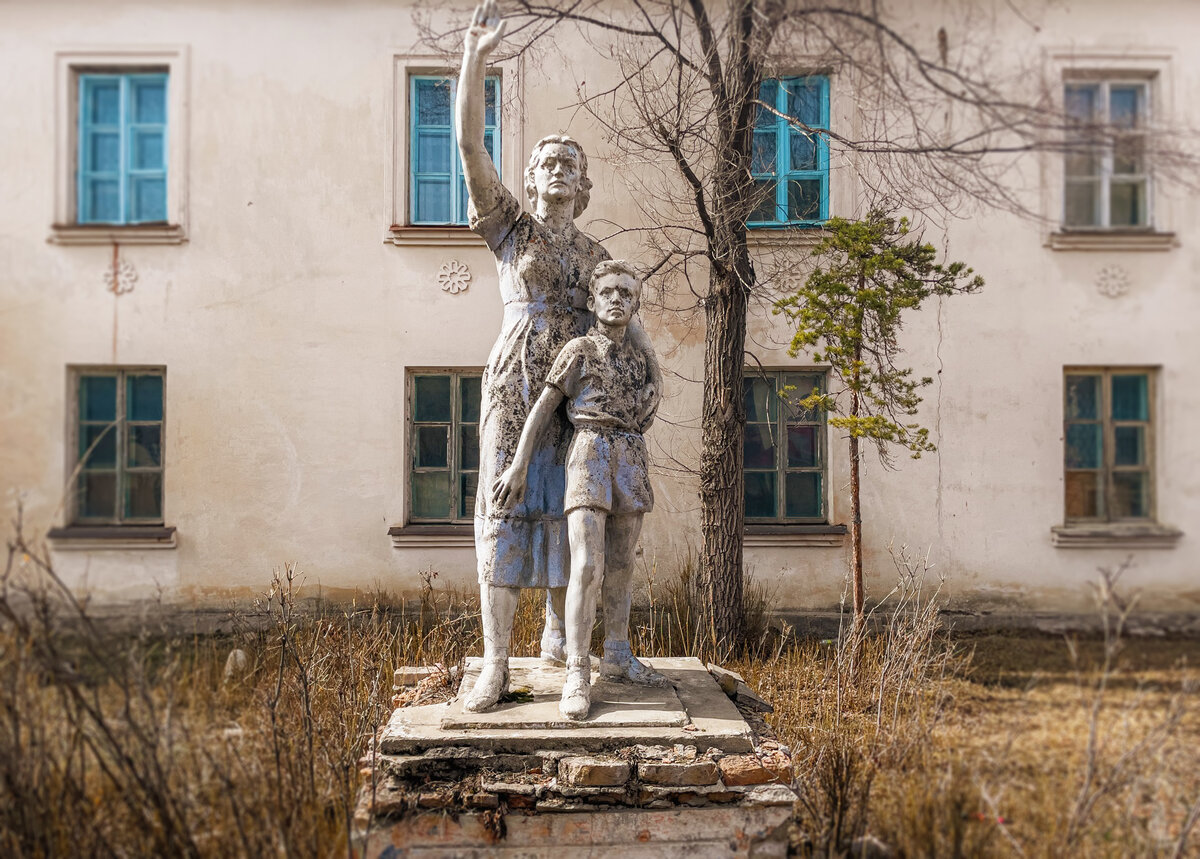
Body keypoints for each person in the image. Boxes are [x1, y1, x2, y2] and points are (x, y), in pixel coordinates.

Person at [457, 1, 660, 713]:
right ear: (532, 177)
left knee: (570, 516)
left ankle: (558, 640)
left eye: (571, 162)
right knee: (505, 506)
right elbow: (470, 149)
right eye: (548, 160)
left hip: (576, 395)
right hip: (517, 383)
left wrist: (641, 387)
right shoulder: (512, 227)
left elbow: (626, 327)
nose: (560, 167)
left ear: (584, 183)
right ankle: (495, 664)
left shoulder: (597, 255)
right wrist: (475, 60)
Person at [493, 261, 665, 721]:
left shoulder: (637, 359)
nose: (616, 299)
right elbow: (542, 410)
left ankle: (617, 653)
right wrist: (518, 466)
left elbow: (652, 383)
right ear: (592, 301)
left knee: (624, 564)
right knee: (587, 565)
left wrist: (656, 379)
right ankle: (576, 670)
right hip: (588, 452)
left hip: (629, 453)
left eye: (626, 293)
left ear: (635, 304)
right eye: (607, 291)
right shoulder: (579, 350)